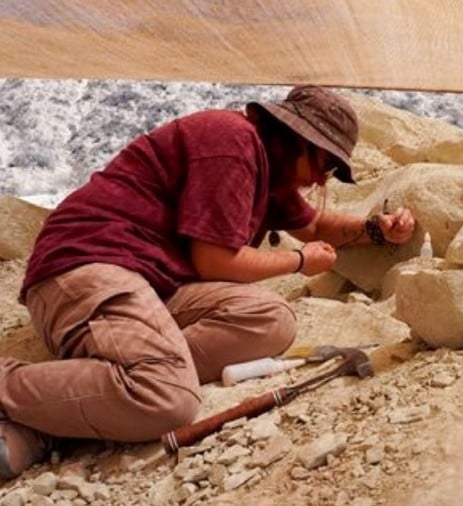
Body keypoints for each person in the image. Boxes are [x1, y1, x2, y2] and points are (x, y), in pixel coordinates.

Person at [0, 85, 416, 481]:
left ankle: (61, 410)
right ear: (298, 137)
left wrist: (377, 231)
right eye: (325, 163)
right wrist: (296, 262)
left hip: (151, 282)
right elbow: (214, 260)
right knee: (169, 397)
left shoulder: (271, 171)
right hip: (89, 264)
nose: (322, 180)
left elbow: (316, 227)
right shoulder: (233, 142)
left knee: (271, 321)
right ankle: (34, 395)